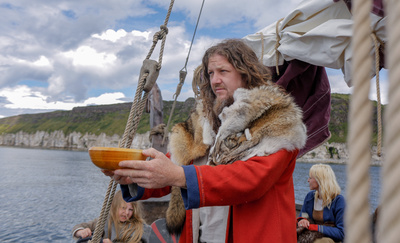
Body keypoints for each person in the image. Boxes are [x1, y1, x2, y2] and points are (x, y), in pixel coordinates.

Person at [103, 39, 307, 243]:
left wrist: (180, 175)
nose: (215, 80)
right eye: (211, 73)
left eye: (223, 71)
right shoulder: (204, 123)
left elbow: (252, 179)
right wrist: (135, 177)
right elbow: (171, 168)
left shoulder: (277, 119)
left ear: (245, 72)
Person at [72, 190, 151, 243]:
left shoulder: (139, 228)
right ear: (114, 206)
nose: (126, 212)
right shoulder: (105, 221)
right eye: (123, 208)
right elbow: (78, 227)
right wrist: (81, 232)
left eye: (130, 210)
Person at [297, 164, 345, 243]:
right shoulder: (310, 197)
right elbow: (303, 215)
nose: (308, 180)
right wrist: (303, 220)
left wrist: (315, 228)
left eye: (310, 177)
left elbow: (342, 232)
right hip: (310, 235)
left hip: (331, 239)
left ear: (320, 180)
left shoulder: (339, 201)